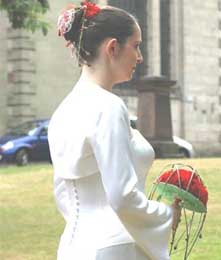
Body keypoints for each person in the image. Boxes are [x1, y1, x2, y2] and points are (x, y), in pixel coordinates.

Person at [48, 1, 181, 260]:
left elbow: (63, 193)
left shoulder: (62, 111)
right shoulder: (108, 107)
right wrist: (166, 214)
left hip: (74, 247)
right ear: (112, 48)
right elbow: (122, 195)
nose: (140, 57)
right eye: (136, 46)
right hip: (116, 246)